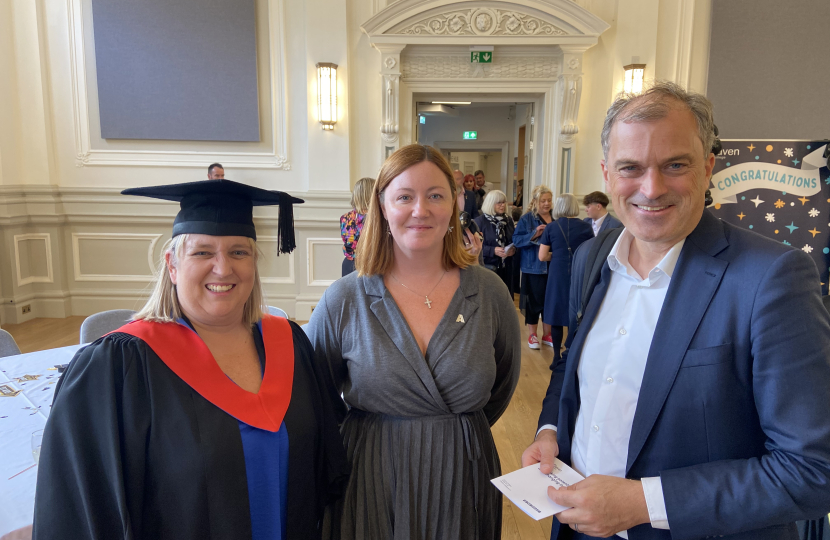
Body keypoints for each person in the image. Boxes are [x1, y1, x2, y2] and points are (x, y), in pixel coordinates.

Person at [522, 81, 830, 539]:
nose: (652, 187)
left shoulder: (770, 278)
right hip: (576, 529)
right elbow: (574, 368)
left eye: (675, 165)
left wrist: (642, 503)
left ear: (707, 167)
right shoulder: (595, 259)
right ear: (607, 174)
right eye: (631, 167)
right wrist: (550, 431)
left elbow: (813, 469)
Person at [33, 179, 349, 540]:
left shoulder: (290, 344)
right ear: (172, 264)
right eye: (202, 252)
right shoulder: (118, 367)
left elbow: (325, 467)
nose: (223, 268)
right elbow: (83, 510)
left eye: (238, 252)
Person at [306, 144, 521, 540]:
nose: (420, 210)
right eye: (404, 196)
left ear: (455, 205)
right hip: (369, 473)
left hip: (462, 472)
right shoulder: (345, 298)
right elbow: (314, 394)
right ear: (383, 206)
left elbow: (503, 384)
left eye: (435, 195)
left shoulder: (489, 292)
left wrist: (449, 429)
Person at [537, 193, 593, 363]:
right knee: (575, 311)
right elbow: (590, 252)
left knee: (556, 312)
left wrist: (557, 255)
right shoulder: (586, 227)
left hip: (557, 274)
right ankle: (571, 353)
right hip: (578, 272)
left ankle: (555, 356)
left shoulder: (551, 228)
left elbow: (542, 256)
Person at [512, 184, 553, 349]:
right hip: (533, 267)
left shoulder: (556, 217)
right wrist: (534, 233)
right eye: (543, 200)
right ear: (535, 201)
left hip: (552, 266)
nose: (546, 204)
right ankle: (533, 335)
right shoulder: (527, 219)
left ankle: (547, 334)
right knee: (533, 302)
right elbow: (517, 240)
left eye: (549, 200)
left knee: (550, 301)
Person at [474, 190, 516, 294]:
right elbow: (473, 246)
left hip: (506, 267)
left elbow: (514, 240)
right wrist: (493, 250)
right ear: (490, 203)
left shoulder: (508, 220)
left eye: (504, 202)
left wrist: (513, 249)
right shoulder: (479, 222)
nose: (502, 205)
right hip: (487, 266)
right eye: (499, 203)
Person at [340, 177, 375, 276]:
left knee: (348, 291)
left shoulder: (344, 218)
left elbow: (346, 241)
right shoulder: (376, 219)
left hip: (348, 264)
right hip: (370, 265)